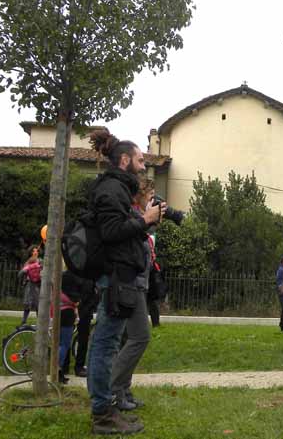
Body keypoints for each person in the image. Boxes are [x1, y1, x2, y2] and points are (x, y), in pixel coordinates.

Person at [86, 128, 165, 435]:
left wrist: (143, 220)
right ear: (124, 160)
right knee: (105, 346)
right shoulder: (110, 190)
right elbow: (110, 232)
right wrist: (144, 220)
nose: (143, 165)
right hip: (116, 277)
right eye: (139, 159)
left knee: (106, 344)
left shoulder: (118, 189)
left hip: (123, 275)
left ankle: (106, 408)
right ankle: (103, 414)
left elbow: (121, 229)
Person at [110, 176, 156, 411]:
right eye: (150, 196)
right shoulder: (132, 217)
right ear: (139, 196)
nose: (153, 201)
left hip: (139, 285)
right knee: (140, 337)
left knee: (129, 339)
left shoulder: (139, 219)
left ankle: (123, 390)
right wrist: (147, 218)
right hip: (130, 285)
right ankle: (114, 390)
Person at [57, 268, 81, 384]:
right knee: (65, 344)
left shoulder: (61, 278)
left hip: (60, 312)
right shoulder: (72, 279)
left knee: (60, 343)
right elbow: (75, 300)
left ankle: (58, 369)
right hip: (68, 314)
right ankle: (58, 368)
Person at [18, 246, 42, 326]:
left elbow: (44, 271)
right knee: (27, 303)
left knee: (38, 304)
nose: (35, 252)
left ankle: (39, 323)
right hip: (30, 284)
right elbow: (20, 274)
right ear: (30, 253)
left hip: (39, 285)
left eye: (36, 251)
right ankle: (24, 322)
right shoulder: (28, 262)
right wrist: (26, 270)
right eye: (33, 251)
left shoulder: (41, 261)